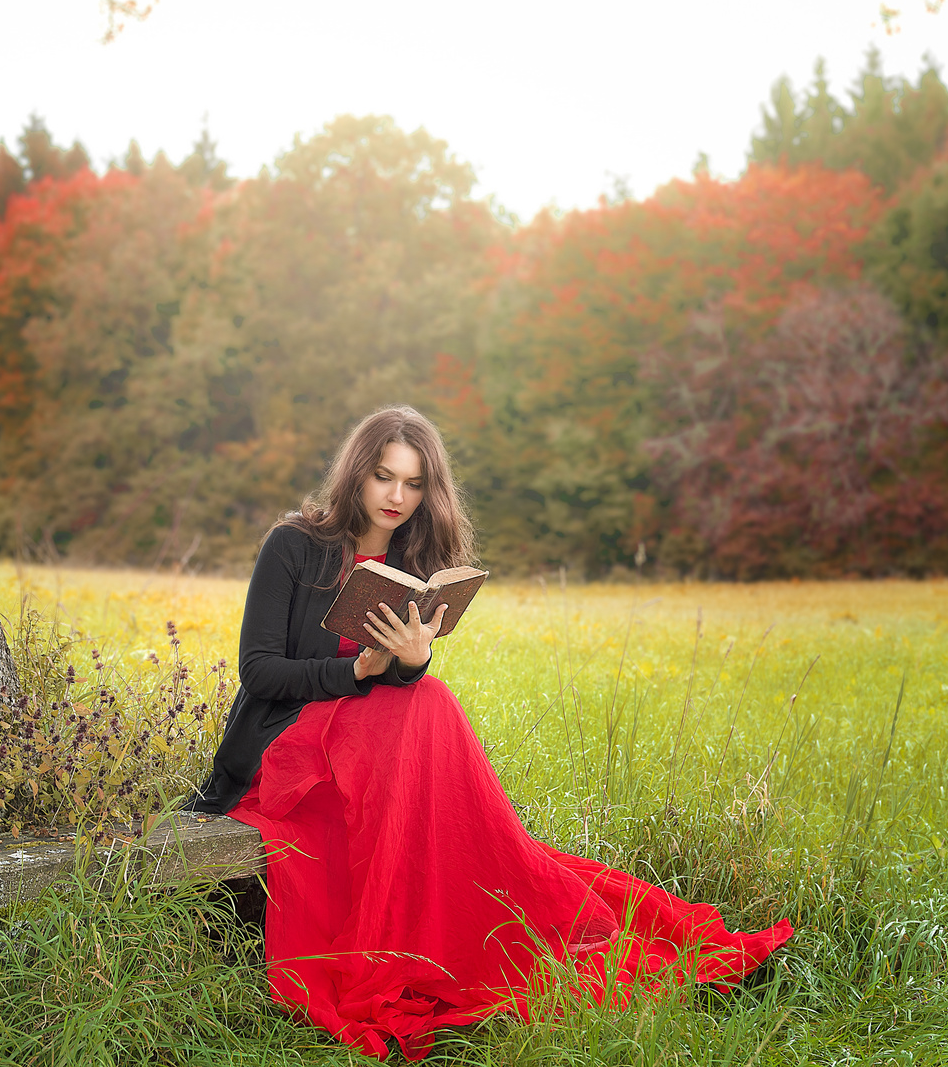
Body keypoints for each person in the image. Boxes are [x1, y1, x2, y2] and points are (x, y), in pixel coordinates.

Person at [188, 405, 792, 1061]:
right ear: (357, 474)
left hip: (361, 742)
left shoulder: (412, 556)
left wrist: (411, 661)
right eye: (385, 477)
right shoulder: (294, 544)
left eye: (414, 484)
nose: (397, 497)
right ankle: (467, 863)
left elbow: (391, 685)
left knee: (429, 693)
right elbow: (259, 670)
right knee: (426, 703)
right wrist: (356, 669)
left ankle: (482, 866)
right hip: (282, 750)